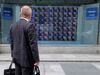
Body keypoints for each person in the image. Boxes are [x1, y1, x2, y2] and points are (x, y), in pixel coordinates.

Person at [10, 5, 40, 75]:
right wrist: (36, 60)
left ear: (21, 14)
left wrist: (13, 56)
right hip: (27, 61)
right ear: (30, 15)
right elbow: (33, 45)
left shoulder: (13, 26)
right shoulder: (30, 26)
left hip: (16, 59)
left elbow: (12, 43)